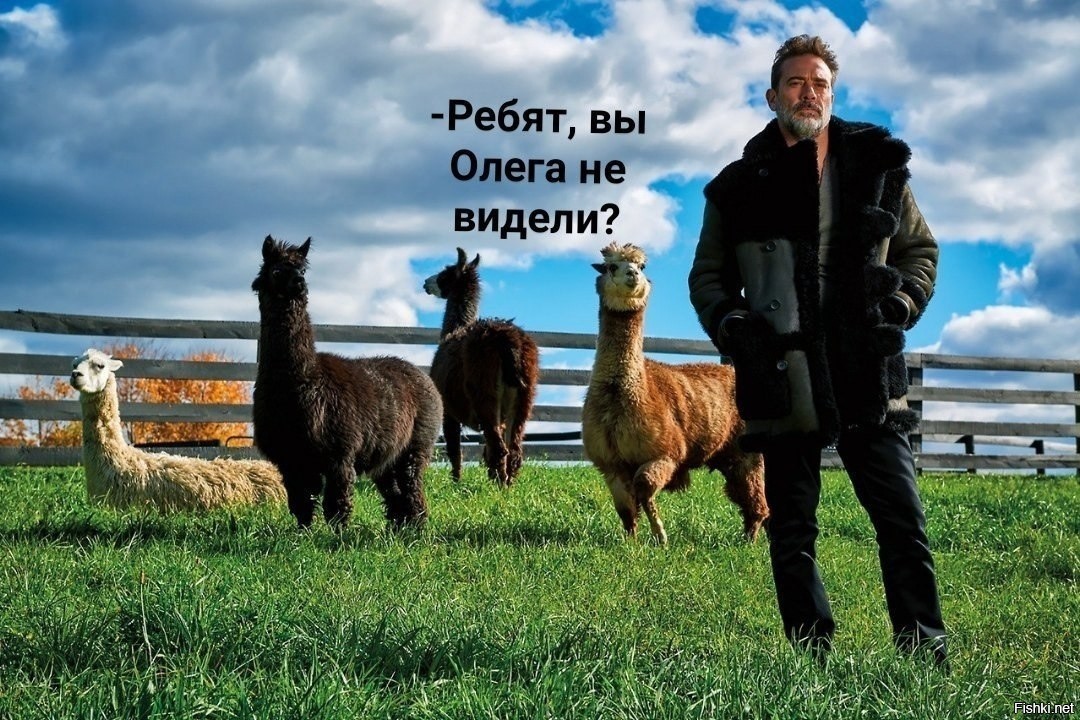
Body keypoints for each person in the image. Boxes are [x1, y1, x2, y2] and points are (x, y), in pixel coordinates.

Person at [688, 34, 947, 668]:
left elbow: (920, 252)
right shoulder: (736, 187)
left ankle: (925, 653)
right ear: (772, 95)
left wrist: (898, 306)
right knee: (792, 528)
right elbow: (708, 278)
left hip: (866, 366)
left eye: (820, 83)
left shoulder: (879, 166)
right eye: (797, 82)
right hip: (783, 370)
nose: (810, 92)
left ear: (833, 93)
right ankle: (812, 658)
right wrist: (736, 328)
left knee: (903, 520)